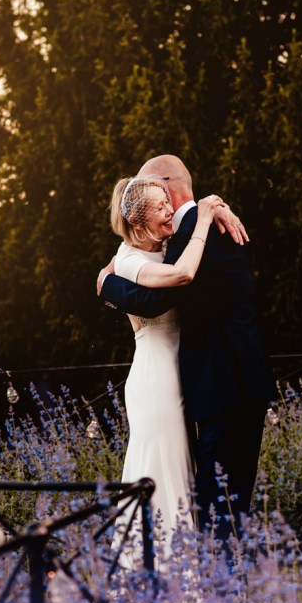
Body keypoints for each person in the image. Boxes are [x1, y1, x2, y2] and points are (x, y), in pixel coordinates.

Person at [98, 154, 276, 559]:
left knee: (217, 505)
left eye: (151, 192)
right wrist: (110, 276)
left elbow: (157, 295)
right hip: (227, 385)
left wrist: (105, 284)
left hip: (222, 391)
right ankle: (208, 589)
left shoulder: (196, 233)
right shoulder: (199, 228)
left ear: (166, 187)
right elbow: (155, 292)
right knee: (221, 501)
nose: (146, 200)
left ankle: (217, 598)